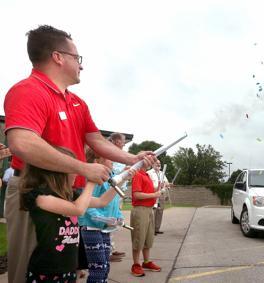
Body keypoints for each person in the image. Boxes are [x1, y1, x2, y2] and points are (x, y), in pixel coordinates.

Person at [3, 25, 155, 283]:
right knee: (31, 270)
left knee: (62, 267)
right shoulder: (28, 90)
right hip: (35, 192)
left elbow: (95, 140)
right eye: (77, 58)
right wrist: (83, 168)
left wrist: (133, 159)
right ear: (58, 57)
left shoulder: (77, 103)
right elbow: (22, 143)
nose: (81, 65)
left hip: (66, 192)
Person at [19, 146, 127, 282]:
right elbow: (78, 209)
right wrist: (92, 181)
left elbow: (101, 201)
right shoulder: (40, 196)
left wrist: (124, 177)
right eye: (73, 169)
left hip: (68, 268)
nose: (77, 173)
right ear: (57, 171)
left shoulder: (70, 195)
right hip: (46, 272)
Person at [79, 148, 132, 282]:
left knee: (105, 266)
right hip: (91, 228)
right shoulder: (94, 178)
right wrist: (103, 220)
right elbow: (87, 204)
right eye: (108, 158)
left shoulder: (111, 177)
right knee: (98, 268)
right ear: (97, 161)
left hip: (104, 229)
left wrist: (118, 217)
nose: (112, 160)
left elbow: (114, 202)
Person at [130, 162, 162, 277]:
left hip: (149, 210)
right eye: (150, 159)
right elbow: (137, 195)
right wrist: (154, 195)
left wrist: (159, 189)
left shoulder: (146, 175)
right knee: (139, 238)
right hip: (140, 209)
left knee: (148, 238)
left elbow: (150, 190)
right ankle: (136, 265)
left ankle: (146, 262)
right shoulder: (138, 174)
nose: (152, 162)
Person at [107, 132, 129, 261]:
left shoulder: (120, 155)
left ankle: (111, 248)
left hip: (119, 192)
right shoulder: (110, 155)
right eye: (123, 141)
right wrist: (124, 171)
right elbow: (111, 174)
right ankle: (107, 250)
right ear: (116, 141)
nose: (125, 143)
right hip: (111, 192)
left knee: (115, 220)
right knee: (110, 219)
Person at [147, 160, 171, 235]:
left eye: (159, 163)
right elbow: (148, 185)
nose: (158, 164)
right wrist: (157, 187)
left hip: (161, 194)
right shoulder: (149, 173)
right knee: (153, 211)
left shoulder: (162, 173)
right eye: (157, 163)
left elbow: (166, 182)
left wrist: (168, 184)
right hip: (153, 194)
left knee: (160, 211)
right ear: (152, 164)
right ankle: (151, 230)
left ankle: (156, 229)